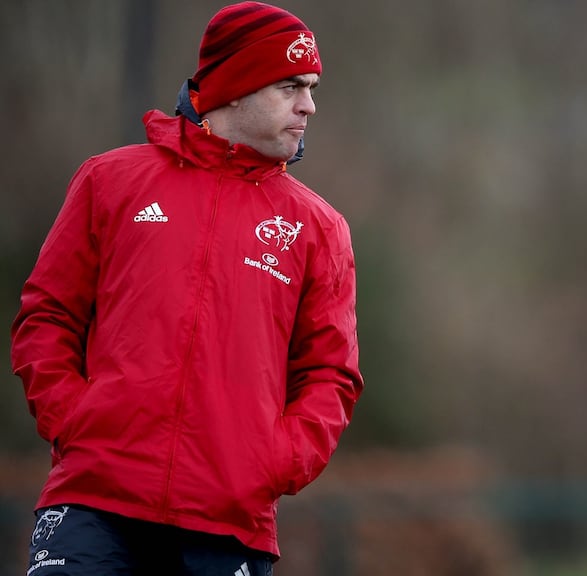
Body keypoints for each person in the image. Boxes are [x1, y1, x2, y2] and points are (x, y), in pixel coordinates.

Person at [10, 2, 363, 574]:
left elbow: (331, 374)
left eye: (312, 87)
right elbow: (46, 318)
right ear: (235, 88)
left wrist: (271, 461)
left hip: (229, 523)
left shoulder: (319, 229)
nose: (309, 105)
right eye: (291, 86)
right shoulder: (110, 181)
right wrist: (77, 419)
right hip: (93, 506)